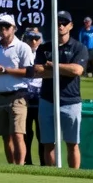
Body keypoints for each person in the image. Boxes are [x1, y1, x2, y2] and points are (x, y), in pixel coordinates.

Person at [33, 11, 87, 168]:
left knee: (72, 143)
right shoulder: (44, 47)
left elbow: (77, 70)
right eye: (58, 23)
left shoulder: (78, 47)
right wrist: (64, 71)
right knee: (48, 143)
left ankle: (73, 176)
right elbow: (38, 71)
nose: (61, 26)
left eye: (64, 23)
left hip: (71, 101)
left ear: (71, 25)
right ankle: (52, 177)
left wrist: (52, 65)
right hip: (47, 100)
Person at [0, 15, 32, 165]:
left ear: (14, 28)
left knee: (18, 134)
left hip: (18, 95)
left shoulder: (23, 47)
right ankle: (11, 168)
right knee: (5, 136)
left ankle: (19, 167)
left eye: (6, 26)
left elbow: (29, 72)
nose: (3, 30)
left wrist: (5, 70)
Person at [20, 27, 44, 165]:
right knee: (26, 132)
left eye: (36, 39)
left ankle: (44, 163)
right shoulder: (21, 52)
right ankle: (27, 161)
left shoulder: (45, 53)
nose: (34, 41)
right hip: (25, 95)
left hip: (41, 96)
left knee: (42, 133)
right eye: (31, 39)